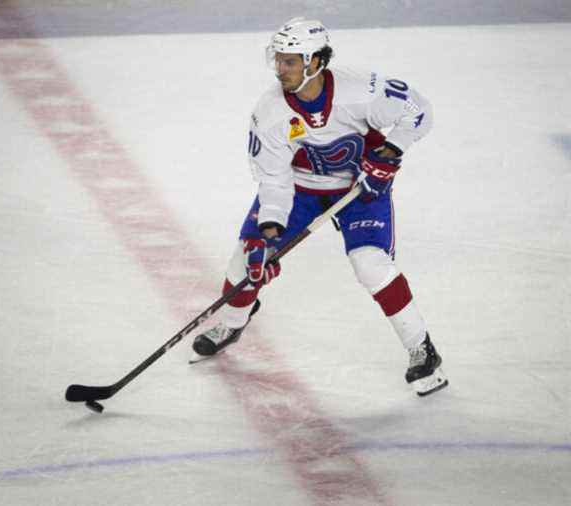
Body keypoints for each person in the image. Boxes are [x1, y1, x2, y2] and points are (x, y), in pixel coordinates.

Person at [190, 17, 448, 396]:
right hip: (300, 190)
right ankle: (232, 322)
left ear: (315, 63)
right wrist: (269, 234)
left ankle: (422, 349)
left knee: (370, 263)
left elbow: (419, 111)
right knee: (248, 258)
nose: (280, 69)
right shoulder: (270, 112)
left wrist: (392, 151)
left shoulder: (361, 91)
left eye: (290, 61)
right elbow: (275, 181)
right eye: (278, 60)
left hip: (360, 189)